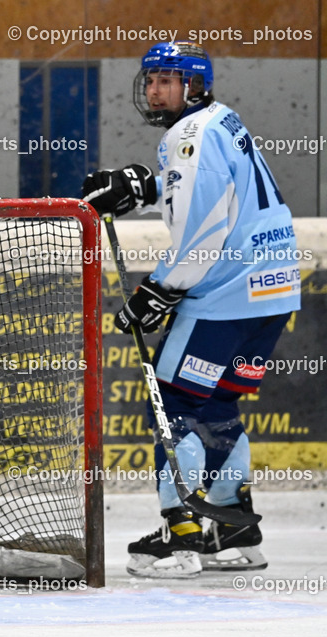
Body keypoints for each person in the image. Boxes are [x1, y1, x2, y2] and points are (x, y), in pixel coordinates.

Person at [81, 41, 300, 578]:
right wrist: (144, 187)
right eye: (151, 79)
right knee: (218, 406)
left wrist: (157, 290)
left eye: (167, 80)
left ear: (193, 86)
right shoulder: (222, 120)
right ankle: (234, 530)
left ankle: (181, 537)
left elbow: (201, 231)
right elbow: (216, 192)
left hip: (224, 298)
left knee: (177, 403)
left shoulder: (188, 137)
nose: (155, 89)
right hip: (271, 293)